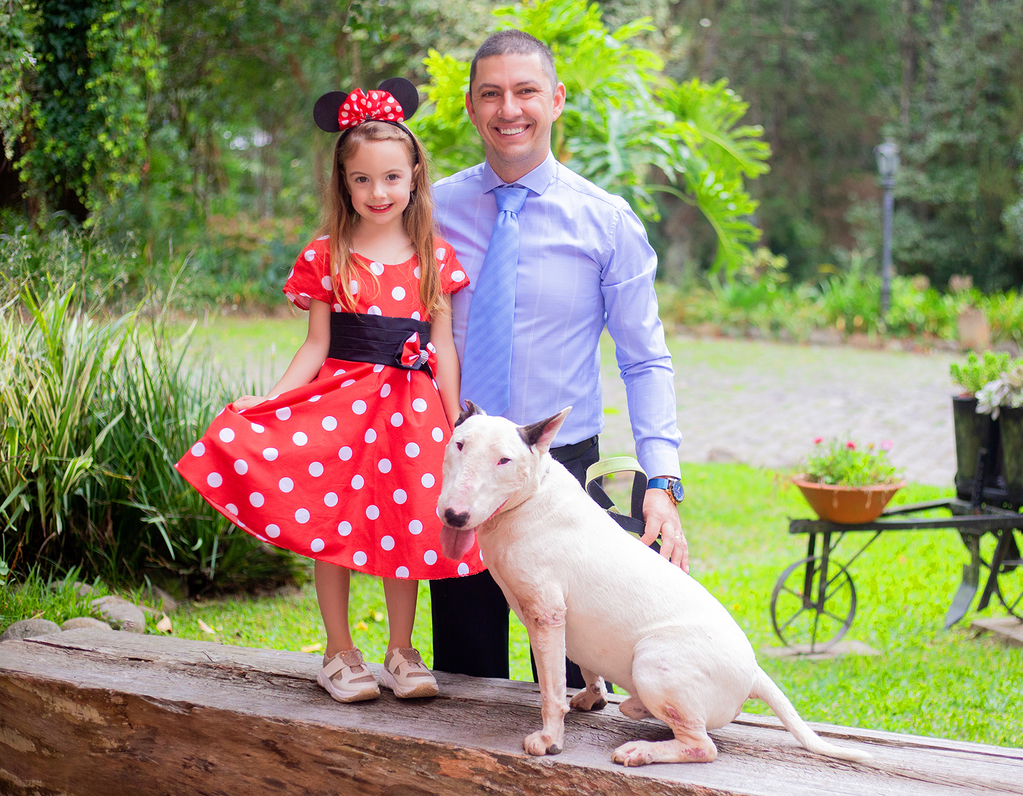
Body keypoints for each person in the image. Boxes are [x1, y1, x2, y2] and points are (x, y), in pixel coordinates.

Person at [176, 78, 484, 704]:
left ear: (415, 177)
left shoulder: (434, 257)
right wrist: (268, 402)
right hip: (339, 407)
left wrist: (458, 423)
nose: (379, 192)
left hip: (413, 414)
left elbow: (443, 346)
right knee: (333, 523)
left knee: (407, 526)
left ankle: (401, 650)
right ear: (344, 182)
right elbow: (316, 345)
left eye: (392, 178)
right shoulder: (327, 255)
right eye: (363, 179)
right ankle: (339, 652)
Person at [430, 31, 689, 686]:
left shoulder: (607, 221)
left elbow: (644, 359)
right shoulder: (431, 210)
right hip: (462, 464)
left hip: (563, 470)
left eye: (525, 91)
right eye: (491, 93)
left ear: (556, 99)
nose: (508, 109)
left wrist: (661, 481)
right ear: (470, 106)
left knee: (585, 680)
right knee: (465, 674)